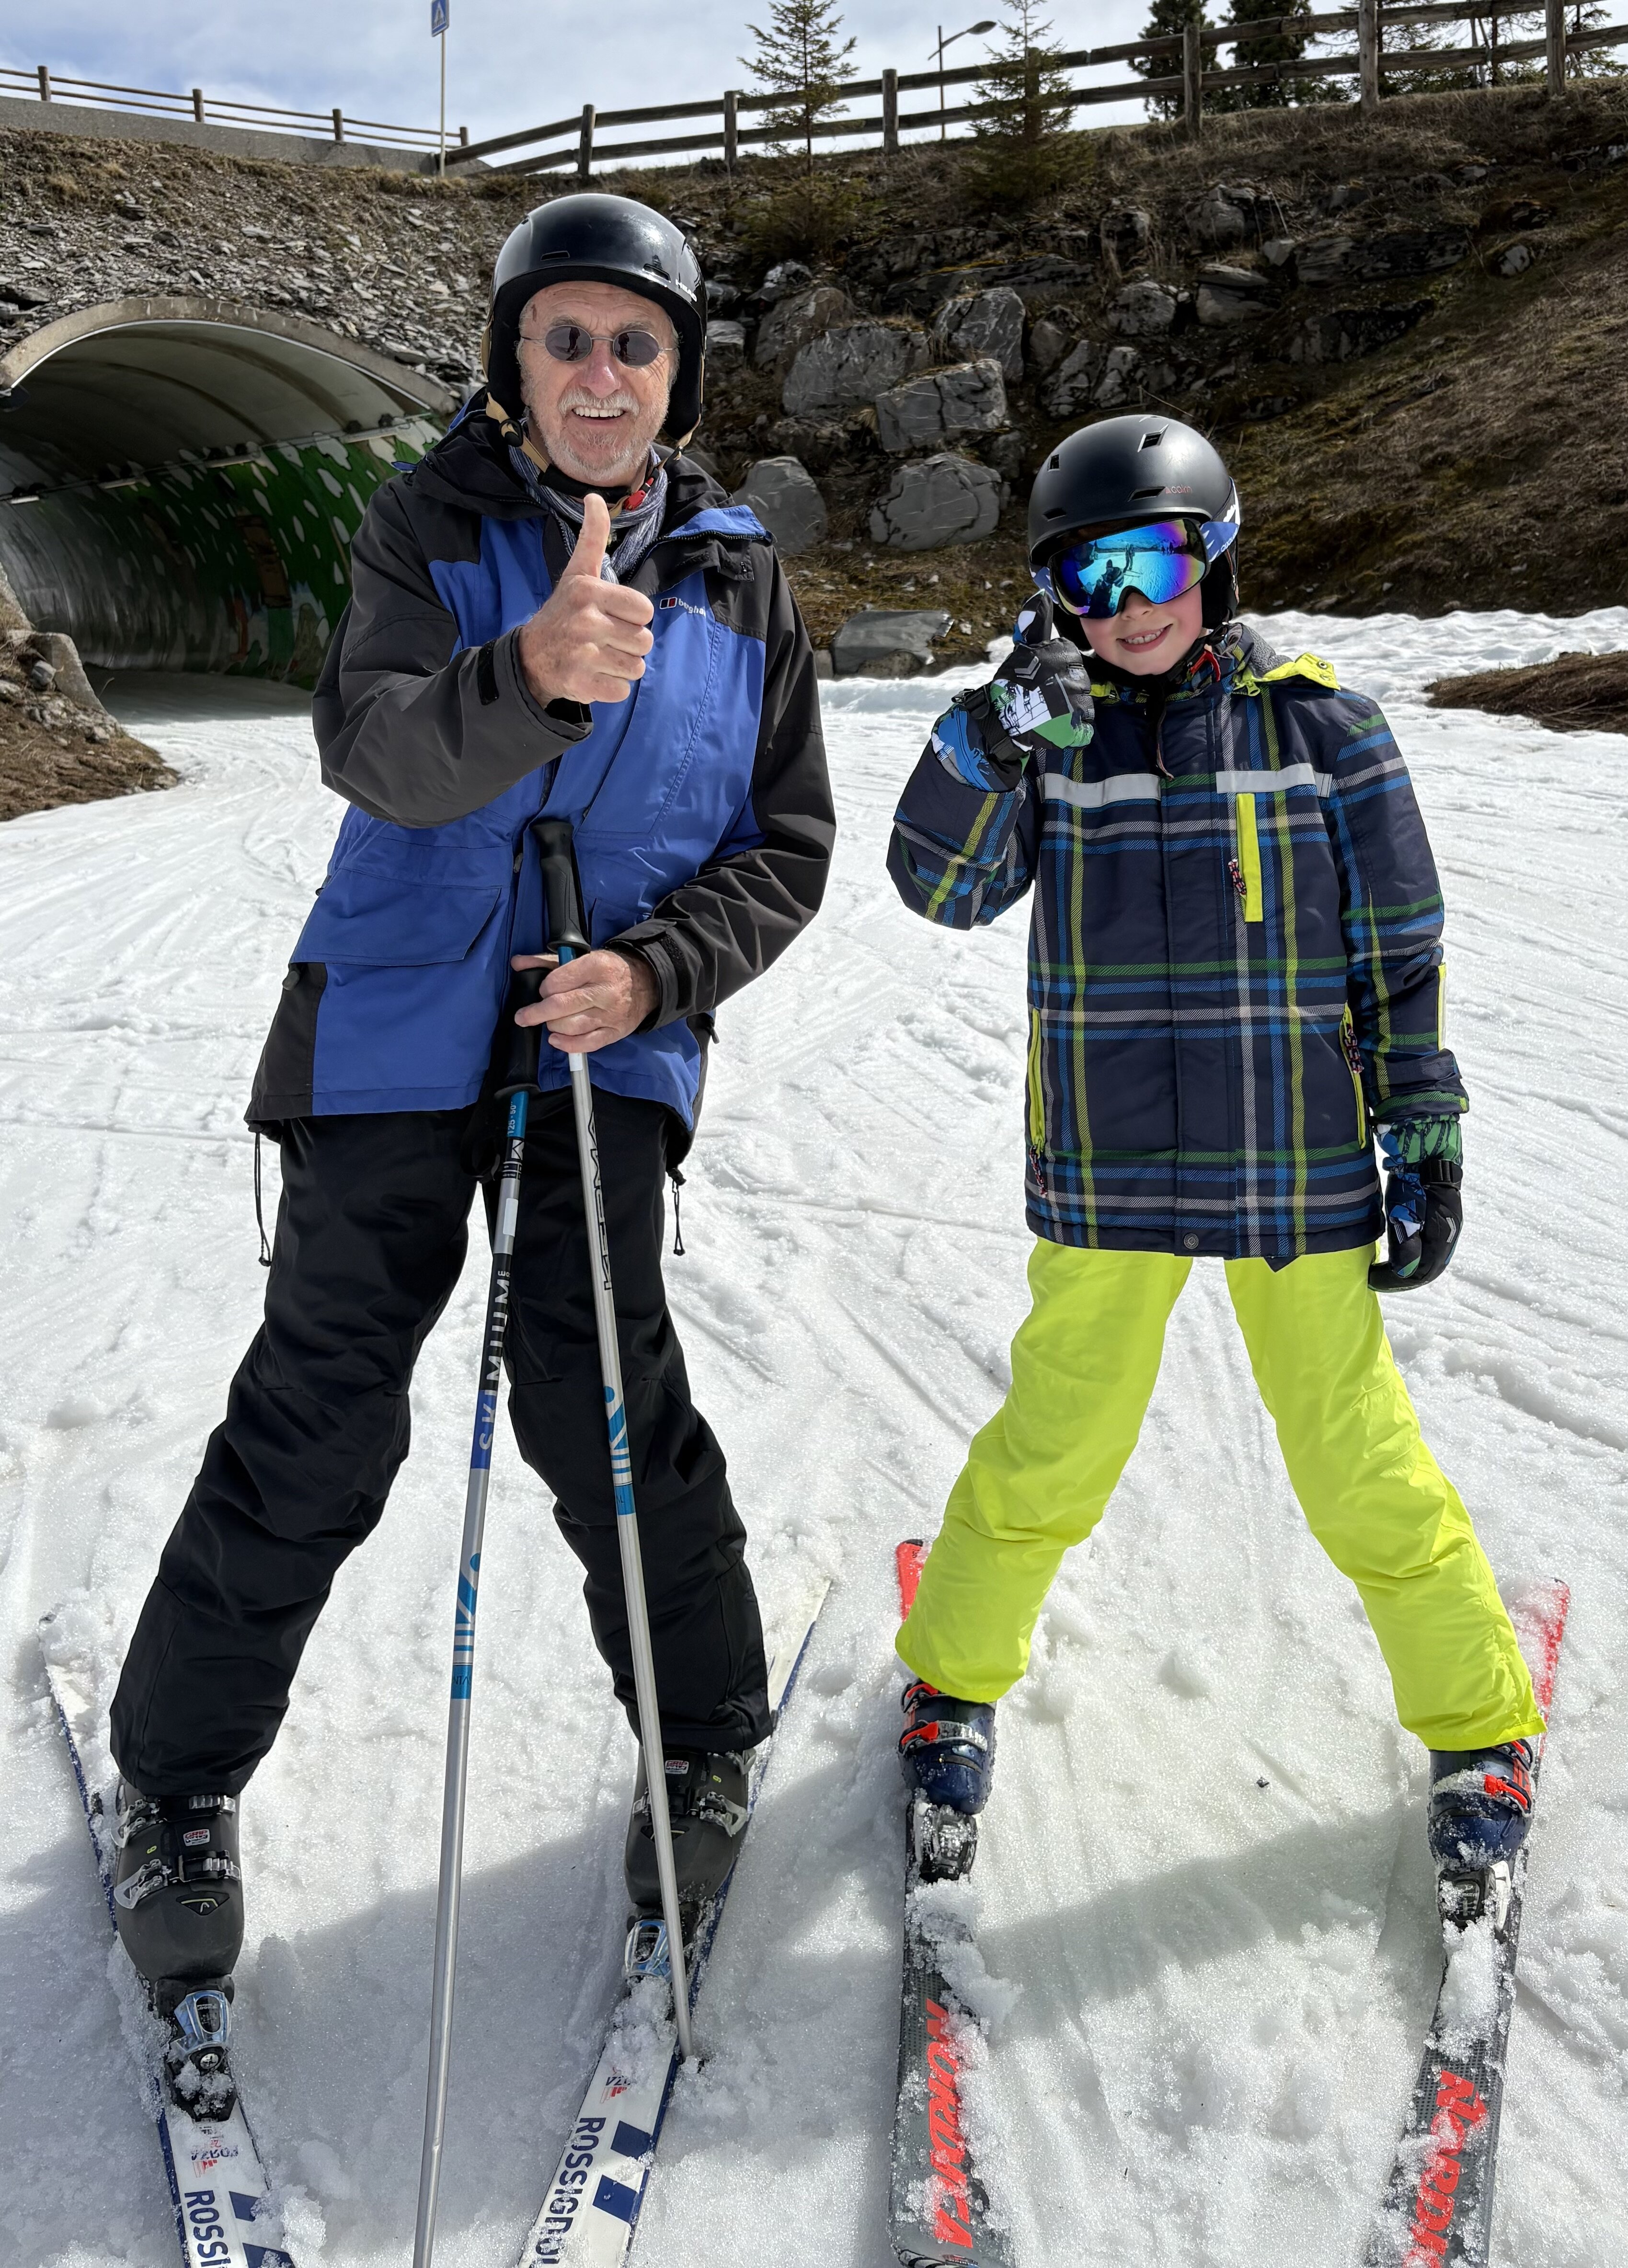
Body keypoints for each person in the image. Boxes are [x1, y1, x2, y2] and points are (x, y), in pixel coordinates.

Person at [107, 194, 835, 2037]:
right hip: (396, 1029)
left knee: (607, 1396)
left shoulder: (744, 575)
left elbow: (786, 850)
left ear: (679, 371)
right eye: (568, 337)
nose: (602, 374)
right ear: (515, 354)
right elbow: (373, 749)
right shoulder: (429, 526)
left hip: (606, 1038)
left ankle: (704, 1743)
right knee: (325, 1403)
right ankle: (177, 1787)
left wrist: (659, 976)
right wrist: (530, 675)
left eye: (637, 343)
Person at [886, 414, 1542, 1911]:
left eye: (1158, 558)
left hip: (1292, 1169)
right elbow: (938, 887)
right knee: (1057, 1444)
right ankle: (951, 1682)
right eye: (1085, 578)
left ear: (1217, 556)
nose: (1128, 604)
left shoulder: (1324, 730)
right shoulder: (1048, 741)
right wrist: (989, 734)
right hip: (1110, 1174)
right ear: (1054, 599)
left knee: (1352, 1457)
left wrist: (1422, 1117)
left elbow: (1400, 948)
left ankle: (1480, 1725)